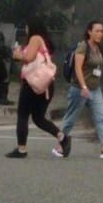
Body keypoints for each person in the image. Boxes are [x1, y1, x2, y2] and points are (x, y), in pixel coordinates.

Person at [53, 20, 103, 160]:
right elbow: (78, 68)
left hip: (95, 89)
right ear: (89, 32)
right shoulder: (83, 46)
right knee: (71, 118)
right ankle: (60, 146)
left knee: (101, 117)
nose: (100, 33)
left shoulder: (99, 48)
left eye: (102, 31)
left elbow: (96, 68)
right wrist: (83, 87)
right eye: (97, 31)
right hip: (80, 89)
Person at [6, 19, 66, 159]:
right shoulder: (45, 41)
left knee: (23, 114)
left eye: (27, 26)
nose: (26, 29)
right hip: (46, 85)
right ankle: (62, 137)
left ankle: (21, 149)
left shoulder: (35, 38)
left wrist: (17, 54)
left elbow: (29, 57)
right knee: (38, 118)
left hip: (32, 84)